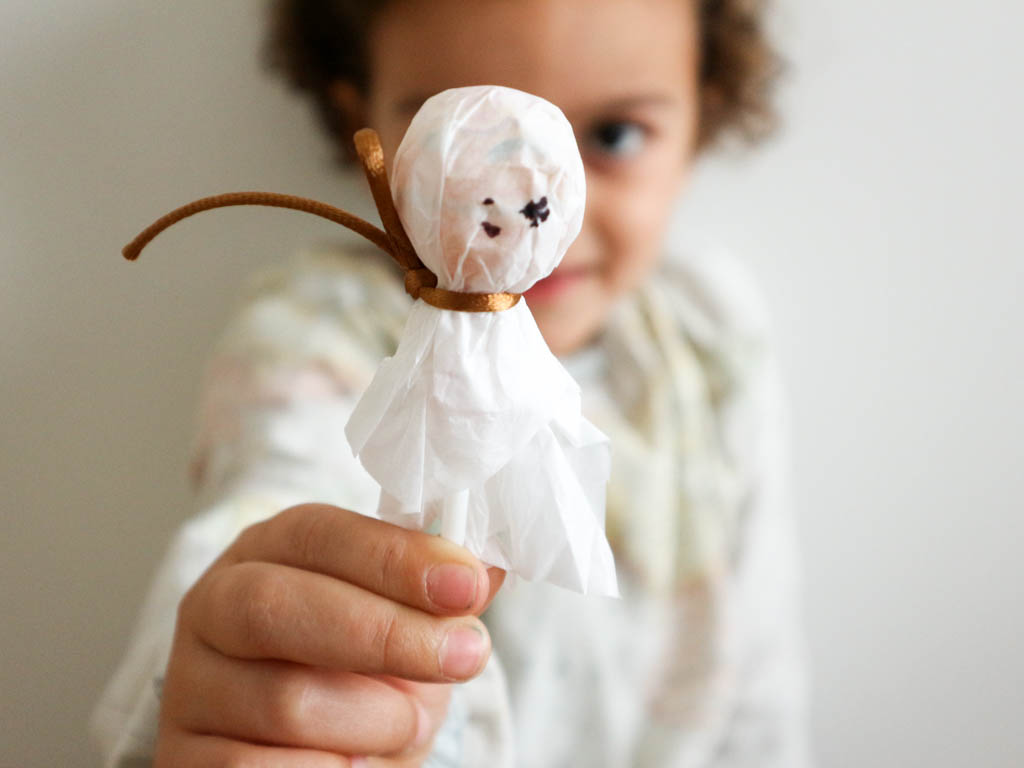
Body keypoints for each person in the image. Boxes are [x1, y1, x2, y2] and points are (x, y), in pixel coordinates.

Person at [92, 0, 811, 765]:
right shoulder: (314, 335)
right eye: (466, 147)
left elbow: (761, 677)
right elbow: (262, 503)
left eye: (613, 136)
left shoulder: (710, 336)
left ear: (700, 119)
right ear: (365, 132)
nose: (531, 206)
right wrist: (231, 671)